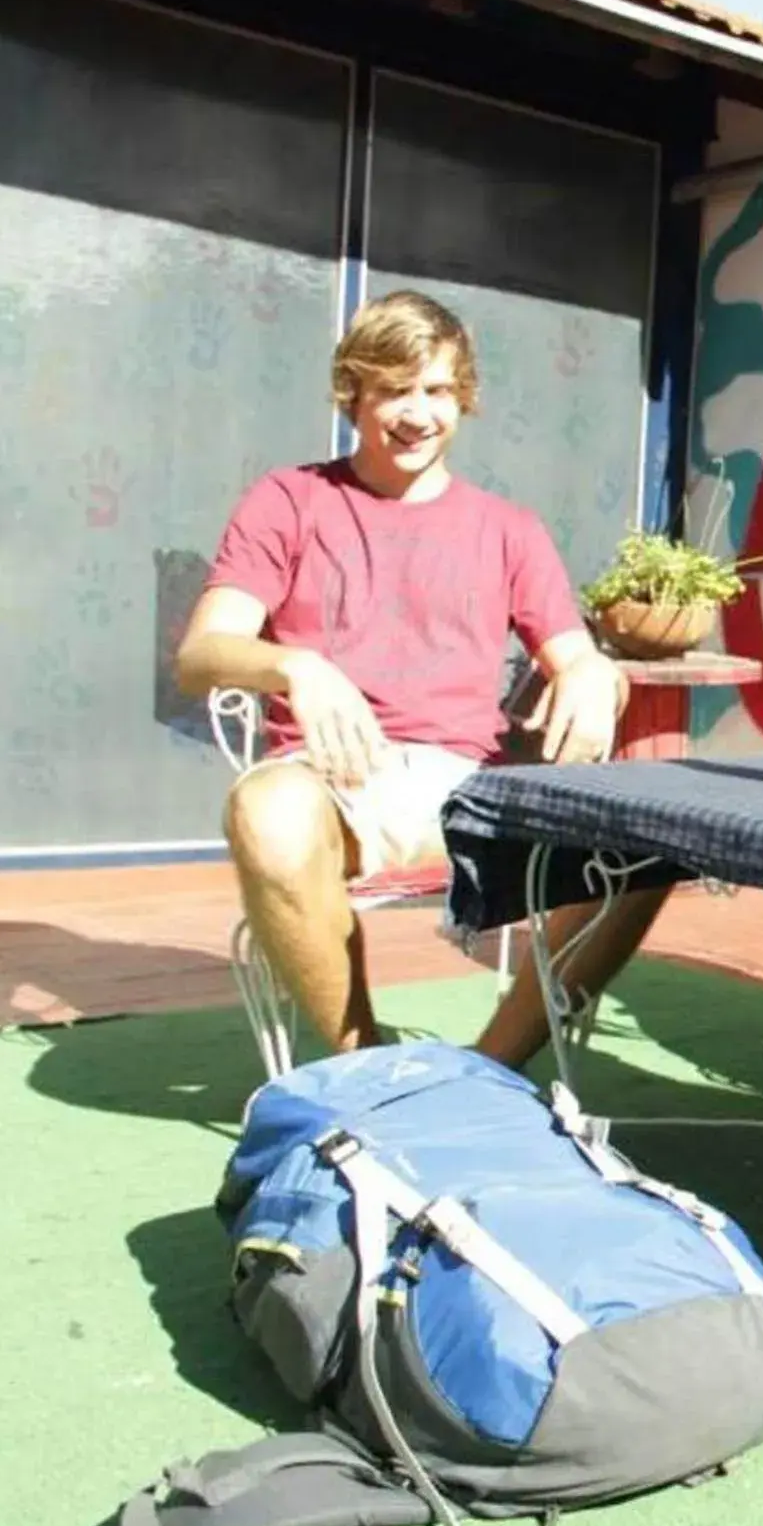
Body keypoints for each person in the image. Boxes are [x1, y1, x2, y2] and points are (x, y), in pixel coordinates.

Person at [174, 289, 663, 1068]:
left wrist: (593, 672)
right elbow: (202, 652)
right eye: (392, 390)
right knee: (265, 810)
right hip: (334, 777)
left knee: (655, 834)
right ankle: (362, 1070)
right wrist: (293, 663)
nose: (416, 413)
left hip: (470, 786)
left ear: (462, 398)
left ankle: (491, 1069)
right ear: (354, 394)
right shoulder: (290, 500)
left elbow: (570, 653)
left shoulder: (508, 529)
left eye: (436, 390)